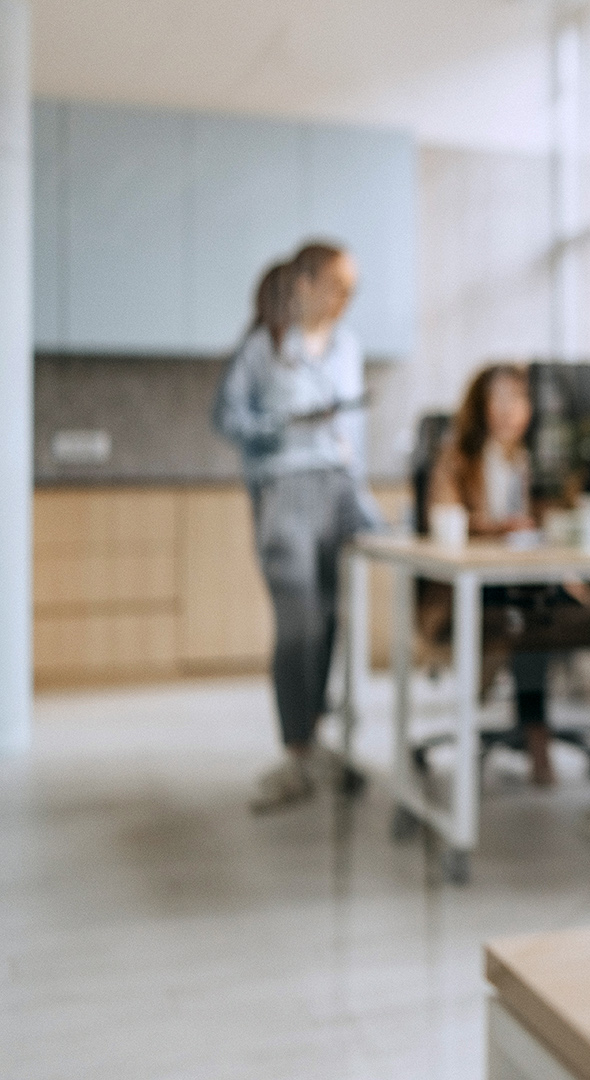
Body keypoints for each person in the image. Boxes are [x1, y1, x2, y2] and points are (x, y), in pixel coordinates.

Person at [214, 242, 383, 813]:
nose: (345, 299)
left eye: (352, 290)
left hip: (339, 492)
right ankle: (295, 753)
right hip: (285, 492)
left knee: (331, 620)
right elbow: (227, 417)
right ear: (305, 284)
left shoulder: (348, 347)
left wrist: (362, 501)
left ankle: (313, 742)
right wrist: (282, 424)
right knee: (299, 624)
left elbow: (353, 437)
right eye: (337, 287)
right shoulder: (264, 348)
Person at [422, 364, 590, 785]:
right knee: (532, 617)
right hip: (475, 587)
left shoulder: (537, 461)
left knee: (570, 611)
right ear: (481, 406)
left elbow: (556, 520)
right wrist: (497, 528)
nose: (511, 410)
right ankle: (537, 737)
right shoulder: (457, 459)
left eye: (520, 399)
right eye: (501, 399)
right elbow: (443, 517)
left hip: (532, 581)